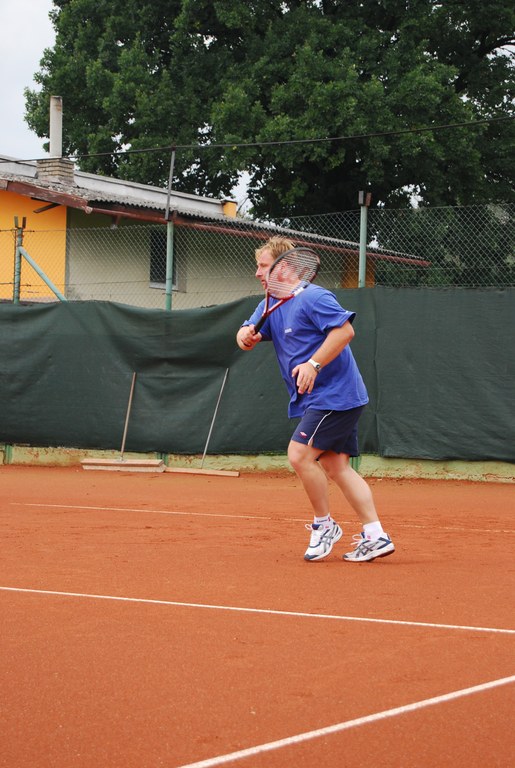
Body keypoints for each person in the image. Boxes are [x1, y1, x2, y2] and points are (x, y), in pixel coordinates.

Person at [236, 236, 394, 563]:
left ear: (285, 268)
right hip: (320, 398)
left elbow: (344, 332)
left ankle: (324, 525)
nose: (257, 273)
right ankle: (376, 535)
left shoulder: (314, 297)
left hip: (335, 395)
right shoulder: (270, 302)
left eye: (263, 266)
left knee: (299, 455)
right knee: (337, 467)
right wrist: (245, 336)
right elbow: (247, 332)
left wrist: (313, 364)